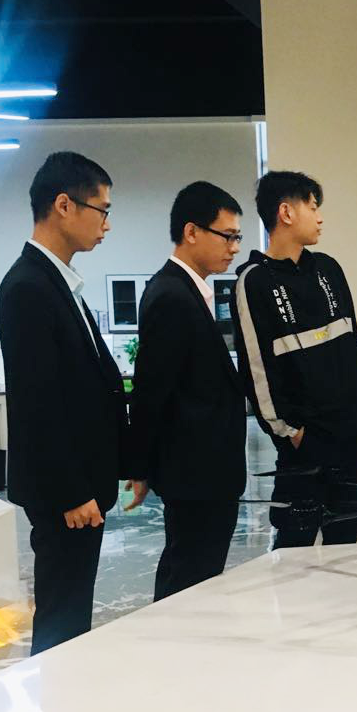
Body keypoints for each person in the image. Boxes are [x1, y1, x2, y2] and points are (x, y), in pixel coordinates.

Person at [0, 151, 129, 654]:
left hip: (80, 483)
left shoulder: (57, 282)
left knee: (72, 608)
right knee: (61, 615)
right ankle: (54, 693)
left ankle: (66, 688)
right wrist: (71, 492)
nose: (107, 224)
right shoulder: (28, 287)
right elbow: (38, 402)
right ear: (64, 205)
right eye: (102, 210)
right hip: (64, 493)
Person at [231, 171, 357, 548]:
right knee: (293, 556)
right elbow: (257, 373)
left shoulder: (328, 268)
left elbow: (352, 340)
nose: (320, 218)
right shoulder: (254, 282)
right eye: (313, 207)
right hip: (305, 446)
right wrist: (291, 432)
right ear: (286, 212)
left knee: (345, 549)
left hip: (352, 439)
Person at [125, 182, 247, 599]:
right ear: (191, 231)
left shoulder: (188, 291)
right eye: (227, 236)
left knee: (200, 575)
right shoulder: (171, 295)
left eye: (237, 237)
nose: (234, 248)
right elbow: (151, 390)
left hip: (206, 472)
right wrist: (141, 466)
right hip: (194, 473)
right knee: (187, 578)